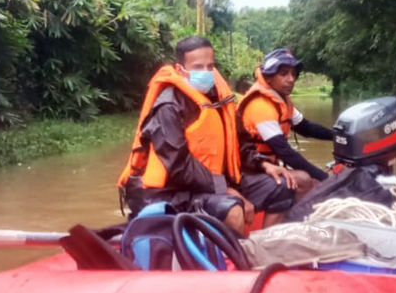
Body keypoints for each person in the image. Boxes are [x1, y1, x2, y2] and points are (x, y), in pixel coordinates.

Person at [117, 36, 292, 234]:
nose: (206, 73)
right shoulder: (168, 106)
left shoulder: (218, 98)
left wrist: (262, 163)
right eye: (198, 67)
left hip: (210, 184)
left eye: (210, 67)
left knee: (282, 187)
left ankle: (261, 248)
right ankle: (234, 258)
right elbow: (179, 166)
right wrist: (224, 188)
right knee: (233, 209)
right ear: (180, 69)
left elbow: (238, 144)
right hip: (169, 192)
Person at [236, 48, 334, 226]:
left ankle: (293, 224)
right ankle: (292, 229)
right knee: (305, 179)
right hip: (249, 170)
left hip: (266, 168)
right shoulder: (260, 105)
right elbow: (284, 151)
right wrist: (324, 177)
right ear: (268, 77)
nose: (291, 79)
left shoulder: (280, 100)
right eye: (283, 74)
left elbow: (305, 127)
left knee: (311, 179)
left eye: (293, 74)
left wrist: (337, 136)